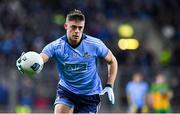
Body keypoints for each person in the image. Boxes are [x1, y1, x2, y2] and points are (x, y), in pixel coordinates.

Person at [16, 9, 118, 113]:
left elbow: (112, 61)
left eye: (80, 28)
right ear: (66, 26)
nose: (77, 31)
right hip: (67, 91)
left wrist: (110, 85)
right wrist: (28, 61)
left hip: (90, 95)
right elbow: (41, 58)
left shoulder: (95, 44)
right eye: (73, 27)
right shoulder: (56, 46)